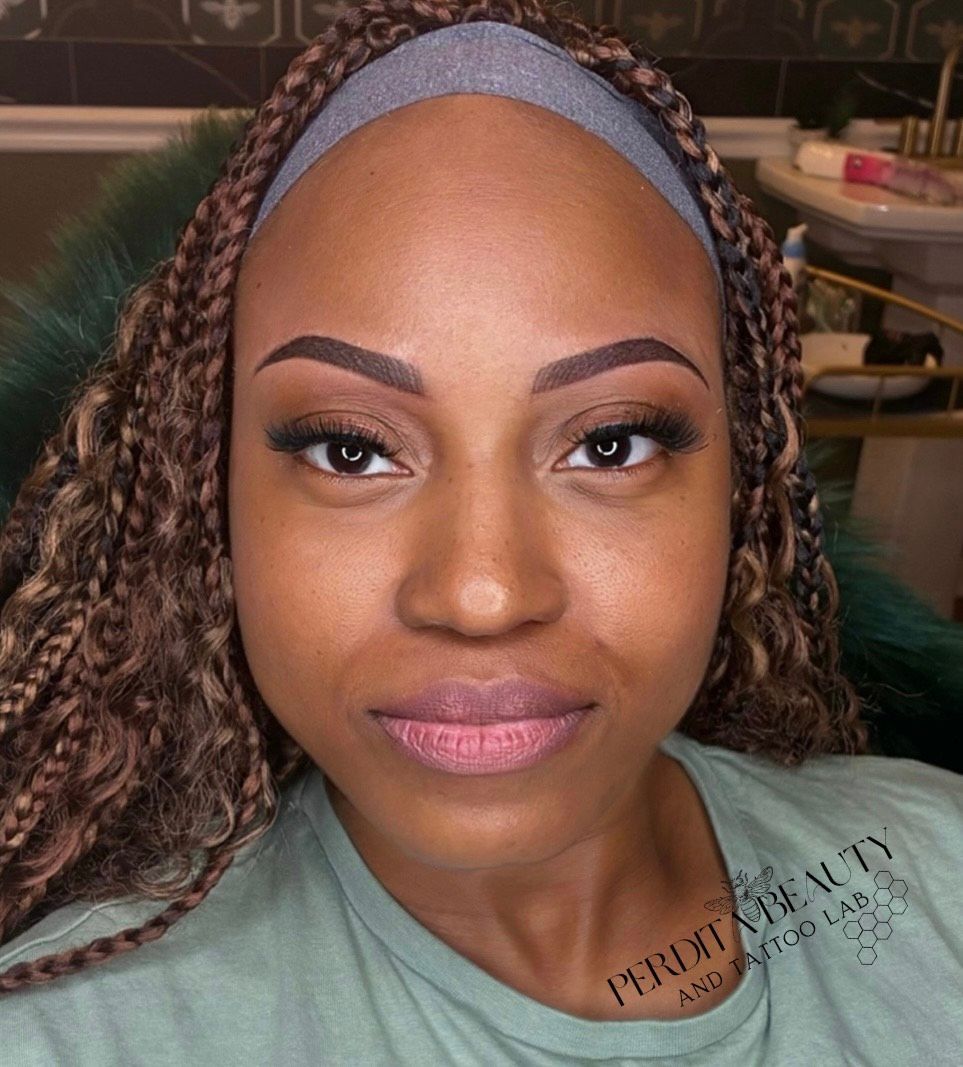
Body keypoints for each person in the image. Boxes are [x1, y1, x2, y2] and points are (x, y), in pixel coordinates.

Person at [0, 2, 959, 1064]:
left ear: (740, 488)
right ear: (209, 499)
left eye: (610, 444)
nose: (482, 592)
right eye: (351, 449)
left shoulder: (937, 861)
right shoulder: (68, 1033)